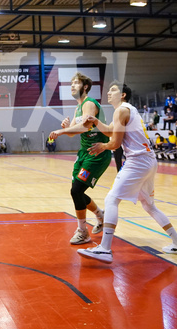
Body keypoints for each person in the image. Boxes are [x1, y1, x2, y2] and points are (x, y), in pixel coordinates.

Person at [78, 82, 177, 263]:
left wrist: (102, 147)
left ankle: (105, 249)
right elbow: (109, 131)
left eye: (113, 90)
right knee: (149, 205)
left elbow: (114, 143)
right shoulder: (126, 110)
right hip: (148, 160)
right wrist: (97, 122)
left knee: (111, 199)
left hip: (138, 161)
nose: (108, 92)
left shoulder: (121, 110)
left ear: (122, 95)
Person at [49, 73, 110, 245]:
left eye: (76, 83)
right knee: (78, 191)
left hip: (96, 153)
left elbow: (86, 126)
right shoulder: (78, 108)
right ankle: (100, 215)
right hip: (84, 153)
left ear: (85, 87)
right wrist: (67, 129)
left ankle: (83, 231)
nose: (72, 86)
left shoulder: (89, 103)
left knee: (76, 191)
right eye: (71, 83)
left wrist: (61, 131)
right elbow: (76, 132)